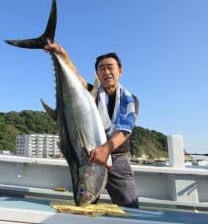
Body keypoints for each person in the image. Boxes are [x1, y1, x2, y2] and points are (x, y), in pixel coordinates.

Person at [44, 42, 139, 208]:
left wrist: (106, 149)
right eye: (101, 68)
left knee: (129, 207)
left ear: (120, 71)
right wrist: (60, 53)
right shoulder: (89, 95)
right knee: (85, 206)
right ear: (97, 73)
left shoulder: (130, 100)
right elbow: (73, 76)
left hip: (117, 160)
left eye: (110, 67)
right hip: (89, 157)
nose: (106, 72)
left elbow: (125, 131)